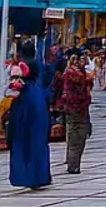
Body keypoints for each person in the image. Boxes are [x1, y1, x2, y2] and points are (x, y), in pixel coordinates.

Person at [8, 61, 51, 191]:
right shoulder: (38, 91)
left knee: (25, 151)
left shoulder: (24, 94)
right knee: (38, 151)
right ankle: (39, 177)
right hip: (39, 126)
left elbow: (18, 116)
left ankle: (28, 178)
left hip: (25, 126)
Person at [56, 52, 92, 175]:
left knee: (76, 136)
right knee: (76, 136)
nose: (79, 62)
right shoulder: (74, 74)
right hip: (75, 108)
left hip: (77, 108)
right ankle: (73, 164)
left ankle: (73, 163)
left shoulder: (77, 74)